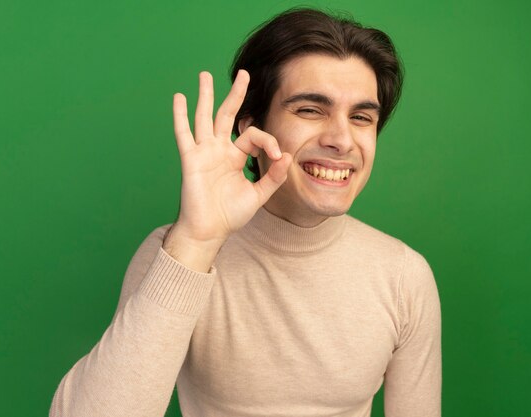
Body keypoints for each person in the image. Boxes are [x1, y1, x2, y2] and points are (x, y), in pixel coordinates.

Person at [49, 8, 441, 417]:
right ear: (253, 128)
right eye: (310, 110)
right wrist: (195, 242)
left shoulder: (404, 277)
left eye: (361, 117)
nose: (342, 140)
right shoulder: (174, 254)